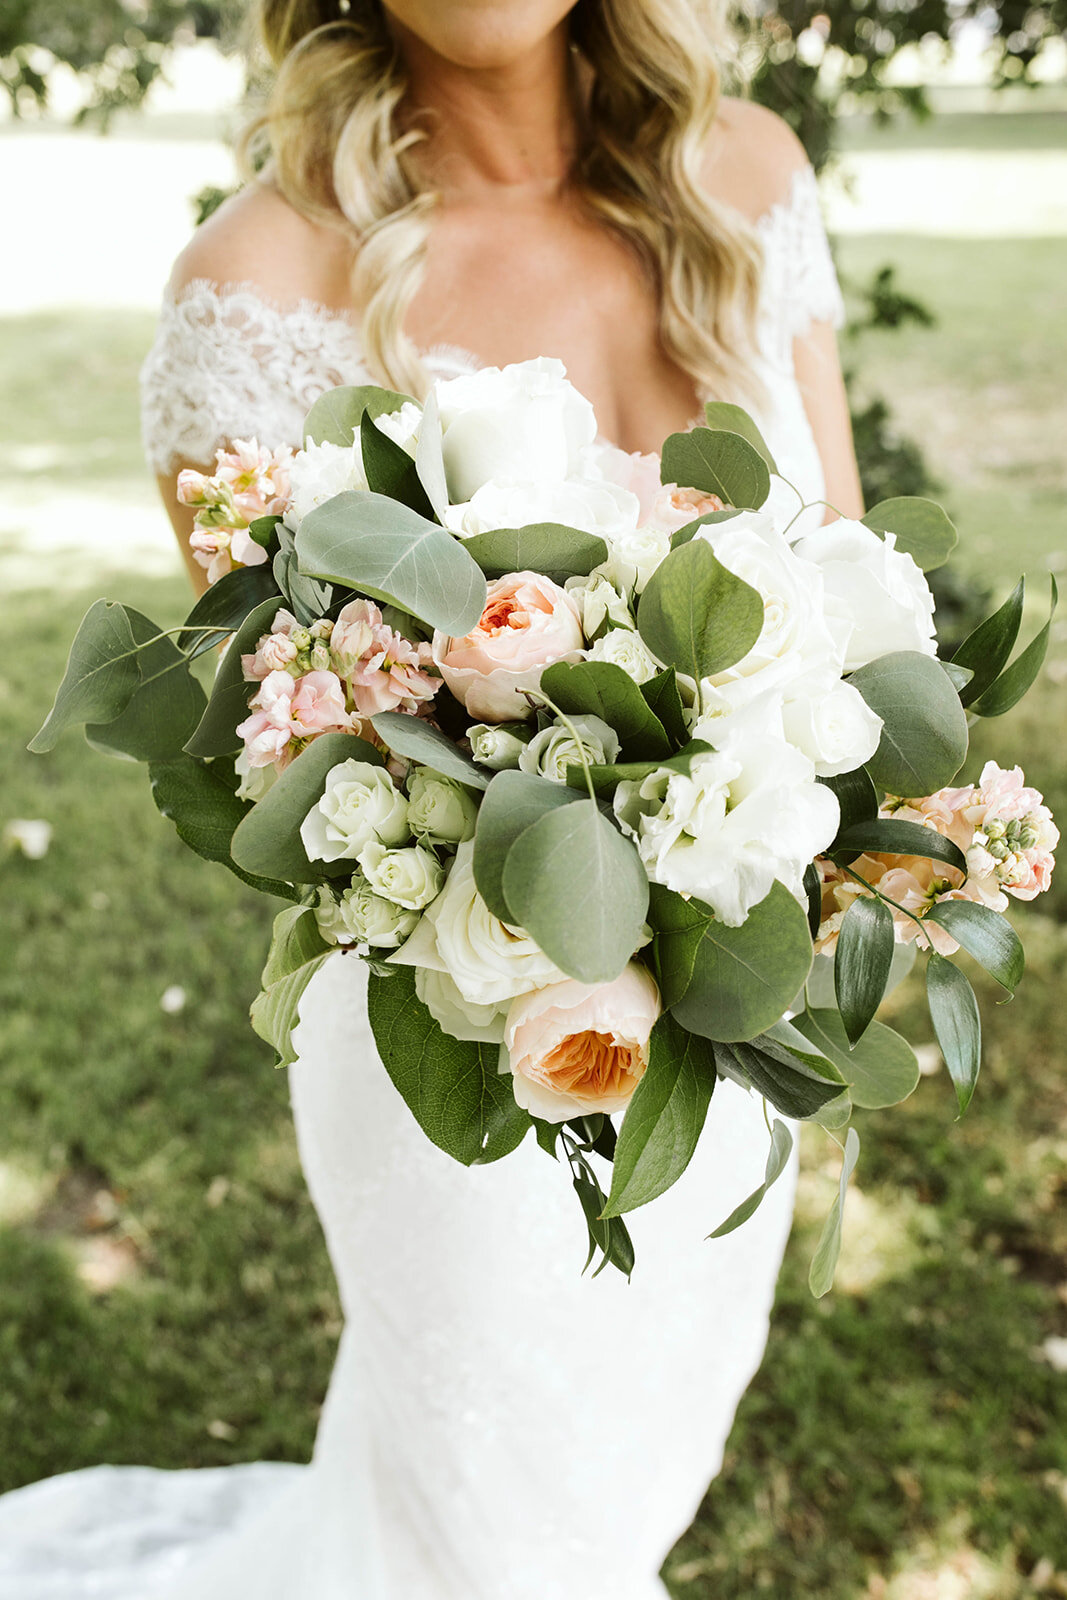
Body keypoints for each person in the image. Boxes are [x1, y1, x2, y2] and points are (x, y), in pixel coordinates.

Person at [0, 2, 863, 1595]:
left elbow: (850, 618)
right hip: (457, 1039)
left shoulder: (746, 177)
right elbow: (307, 748)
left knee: (628, 1478)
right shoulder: (259, 287)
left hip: (740, 1005)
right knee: (490, 1537)